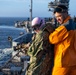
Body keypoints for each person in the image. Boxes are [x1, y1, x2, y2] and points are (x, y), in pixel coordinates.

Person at [49, 5, 76, 75]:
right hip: (73, 62)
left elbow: (52, 39)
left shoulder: (65, 27)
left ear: (66, 13)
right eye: (56, 17)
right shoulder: (73, 24)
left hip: (63, 62)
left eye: (59, 16)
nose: (57, 19)